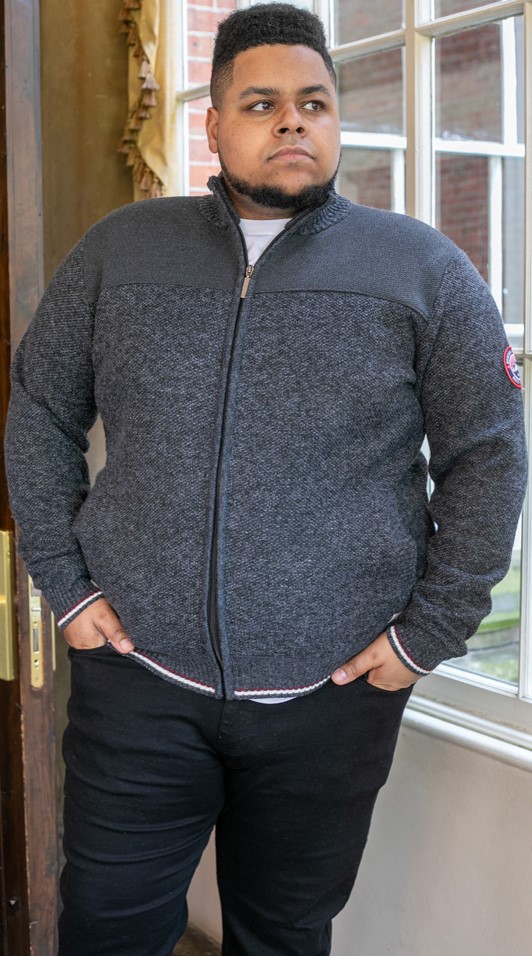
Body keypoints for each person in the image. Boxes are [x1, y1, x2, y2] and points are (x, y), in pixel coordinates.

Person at [4, 4, 527, 955]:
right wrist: (67, 589)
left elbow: (489, 454)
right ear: (214, 125)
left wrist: (425, 637)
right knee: (106, 929)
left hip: (333, 696)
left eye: (314, 102)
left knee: (281, 936)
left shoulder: (423, 270)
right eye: (262, 102)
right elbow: (40, 411)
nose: (293, 121)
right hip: (138, 683)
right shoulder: (121, 251)